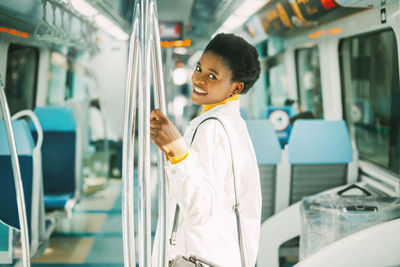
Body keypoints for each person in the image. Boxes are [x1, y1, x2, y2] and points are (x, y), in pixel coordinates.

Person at [150, 33, 262, 267]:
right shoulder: (232, 124)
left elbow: (200, 208)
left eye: (212, 76)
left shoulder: (212, 129)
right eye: (199, 68)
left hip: (197, 257)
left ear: (236, 87)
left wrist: (177, 151)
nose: (198, 79)